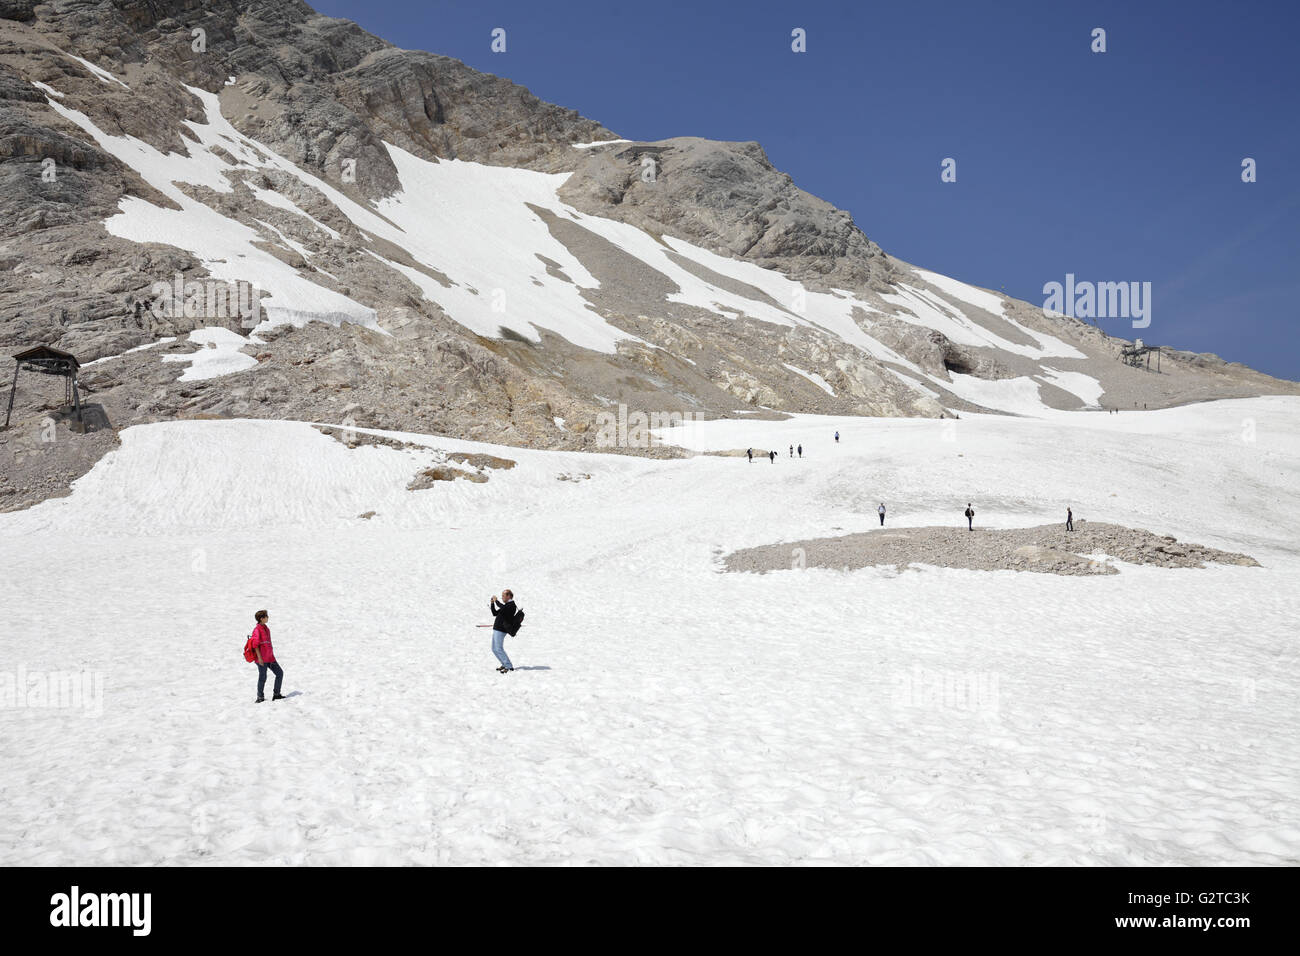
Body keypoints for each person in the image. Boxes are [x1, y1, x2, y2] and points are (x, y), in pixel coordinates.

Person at [249, 609, 284, 703]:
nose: (268, 617)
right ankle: (260, 697)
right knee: (262, 677)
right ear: (261, 618)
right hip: (262, 659)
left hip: (270, 658)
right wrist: (259, 658)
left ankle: (276, 694)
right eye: (266, 616)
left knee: (280, 673)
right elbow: (255, 645)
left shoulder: (266, 628)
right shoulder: (257, 630)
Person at [490, 590, 519, 673]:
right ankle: (504, 664)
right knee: (494, 649)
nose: (502, 597)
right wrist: (492, 603)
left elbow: (503, 608)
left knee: (499, 648)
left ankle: (509, 666)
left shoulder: (511, 605)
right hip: (497, 629)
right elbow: (495, 613)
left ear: (509, 596)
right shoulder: (506, 606)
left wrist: (496, 601)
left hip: (501, 629)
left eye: (503, 595)